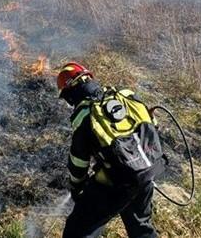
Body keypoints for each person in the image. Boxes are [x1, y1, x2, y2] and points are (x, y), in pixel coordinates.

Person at [57, 62, 160, 238]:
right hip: (146, 172)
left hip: (116, 182)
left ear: (70, 92)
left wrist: (76, 187)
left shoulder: (84, 114)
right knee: (141, 227)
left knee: (78, 231)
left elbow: (78, 161)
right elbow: (153, 126)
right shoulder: (125, 94)